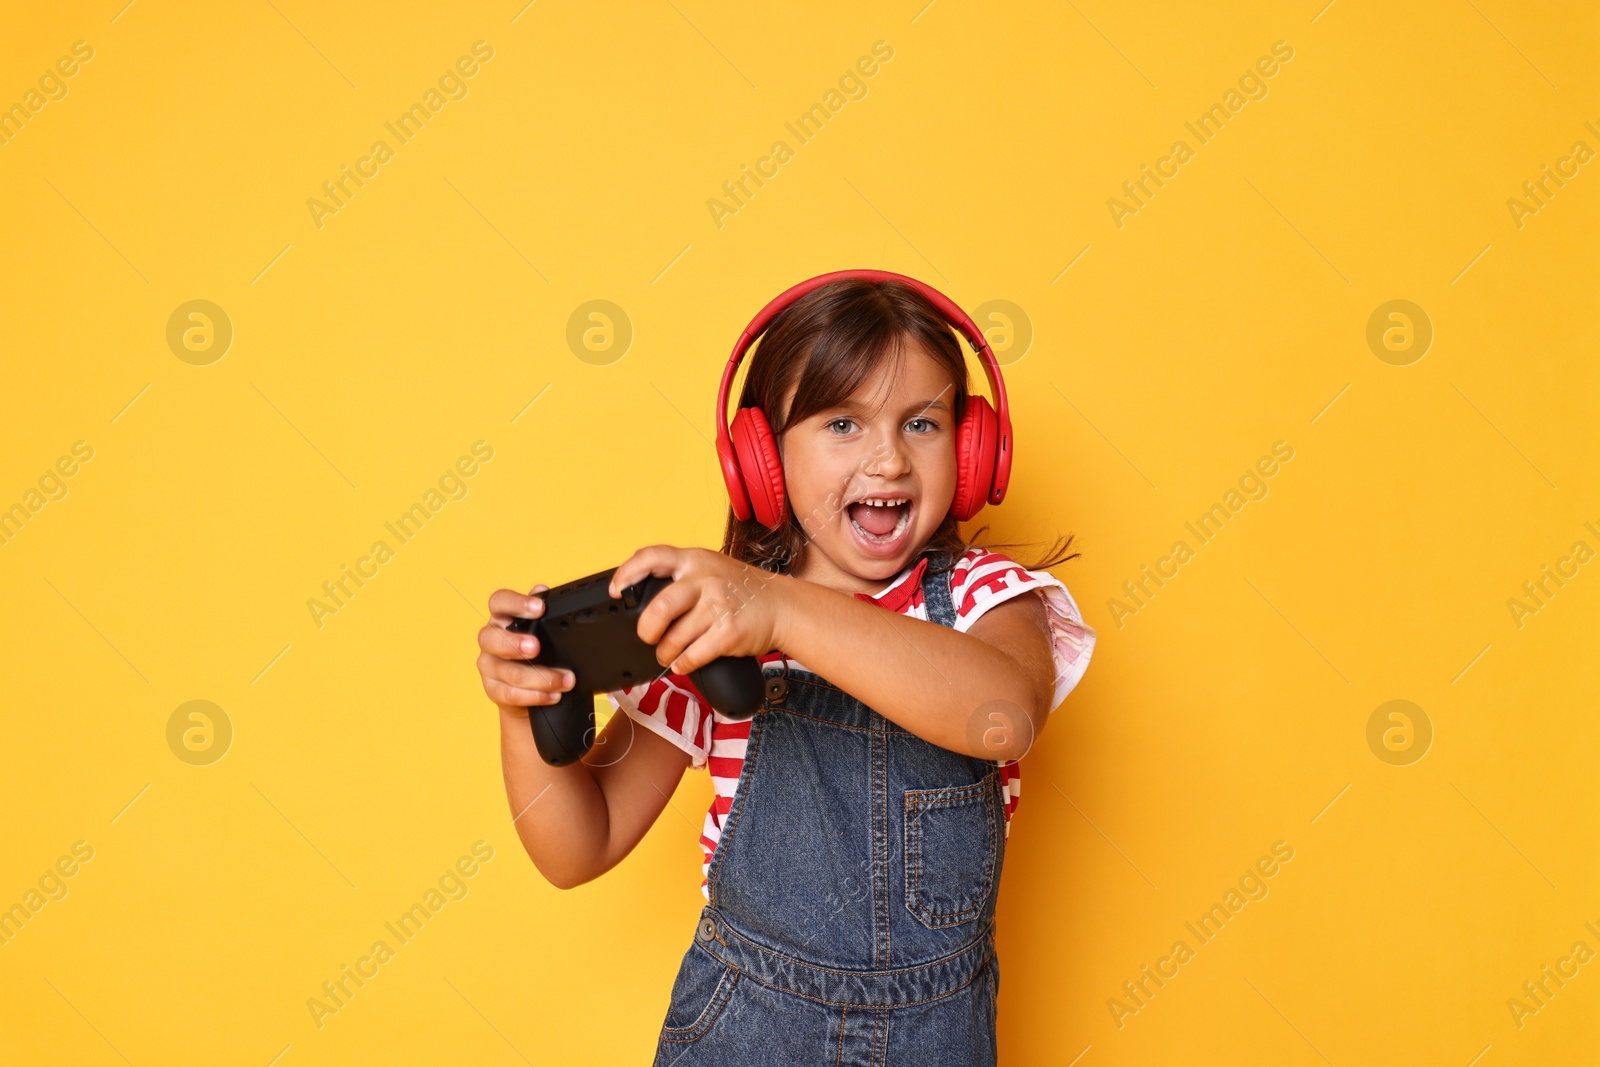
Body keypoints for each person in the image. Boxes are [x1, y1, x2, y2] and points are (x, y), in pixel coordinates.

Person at [476, 274, 1096, 1064]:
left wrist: (779, 609)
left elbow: (1003, 715)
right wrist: (522, 706)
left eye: (922, 423)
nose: (888, 458)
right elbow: (578, 847)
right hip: (744, 1033)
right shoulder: (712, 635)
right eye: (842, 422)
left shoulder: (984, 601)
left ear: (972, 453)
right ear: (761, 459)